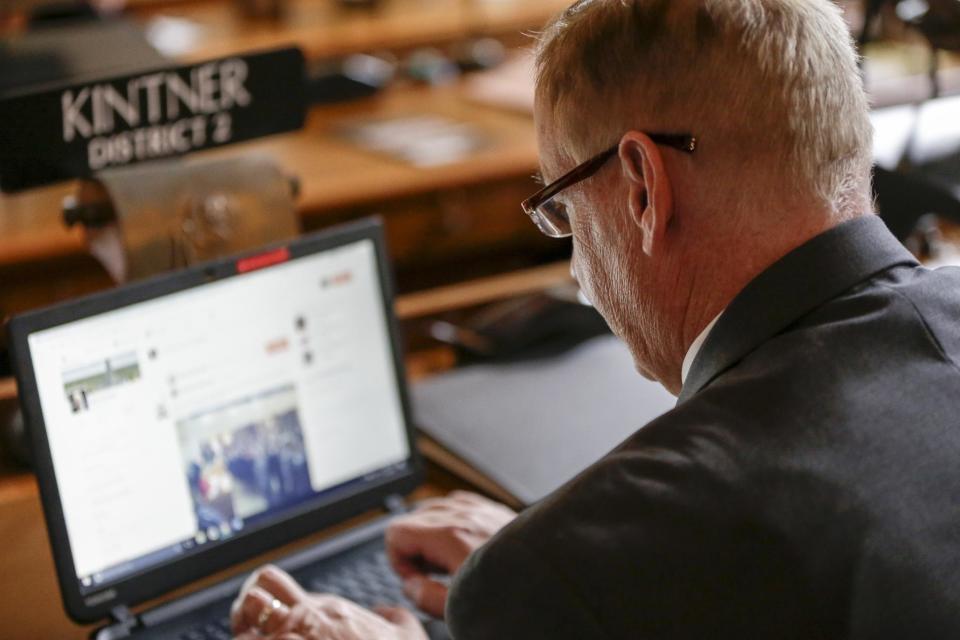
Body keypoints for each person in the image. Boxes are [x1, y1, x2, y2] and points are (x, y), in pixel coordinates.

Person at [230, 0, 960, 637]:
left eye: (564, 208)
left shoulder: (549, 576)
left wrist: (552, 568)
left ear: (643, 188)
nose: (579, 268)